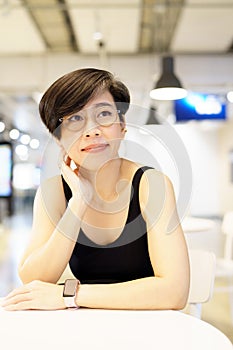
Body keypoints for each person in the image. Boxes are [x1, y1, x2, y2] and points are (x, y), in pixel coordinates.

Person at [2, 68, 190, 311]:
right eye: (75, 119)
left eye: (104, 114)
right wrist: (78, 201)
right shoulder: (55, 192)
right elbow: (34, 278)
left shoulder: (151, 185)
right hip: (88, 327)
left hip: (149, 323)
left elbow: (174, 292)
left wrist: (68, 296)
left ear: (122, 127)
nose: (92, 130)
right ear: (59, 139)